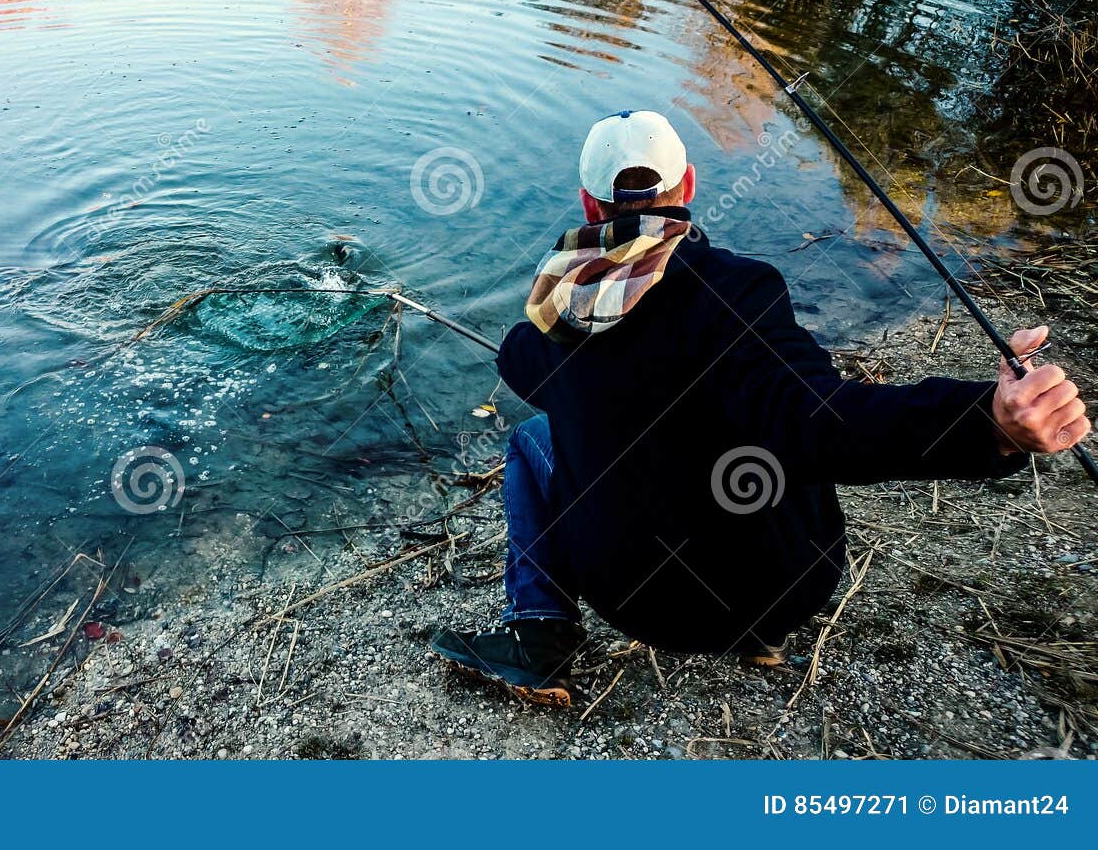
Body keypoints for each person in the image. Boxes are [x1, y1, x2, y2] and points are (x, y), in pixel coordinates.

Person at [429, 110, 1092, 706]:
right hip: (782, 590)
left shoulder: (562, 320)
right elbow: (826, 420)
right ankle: (760, 639)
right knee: (763, 428)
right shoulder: (743, 293)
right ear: (687, 188)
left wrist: (568, 305)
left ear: (586, 203)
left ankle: (540, 637)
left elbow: (518, 361)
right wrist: (986, 421)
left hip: (639, 604)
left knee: (532, 440)